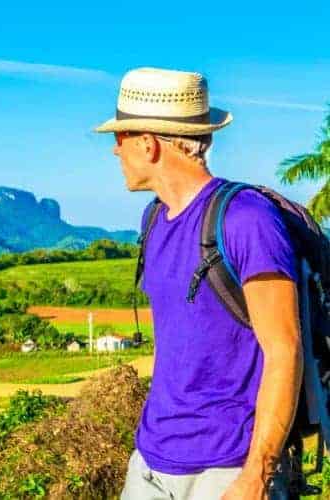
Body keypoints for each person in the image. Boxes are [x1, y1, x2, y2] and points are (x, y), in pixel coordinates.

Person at [94, 67, 303, 499]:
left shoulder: (247, 220)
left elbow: (285, 350)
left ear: (147, 143)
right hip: (151, 462)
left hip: (226, 471)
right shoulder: (154, 219)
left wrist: (255, 478)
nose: (115, 152)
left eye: (120, 139)